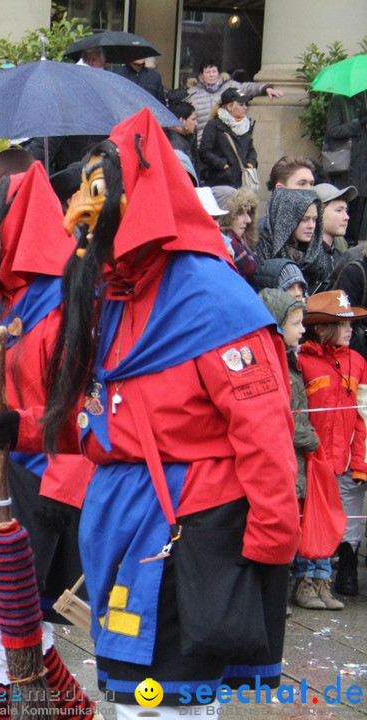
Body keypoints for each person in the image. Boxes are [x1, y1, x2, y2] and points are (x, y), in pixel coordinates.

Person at [41, 109, 299, 718]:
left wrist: (269, 543)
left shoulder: (211, 300)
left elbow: (264, 431)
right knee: (139, 696)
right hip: (126, 517)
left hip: (189, 521)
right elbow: (108, 417)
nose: (82, 207)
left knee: (165, 702)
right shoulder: (117, 292)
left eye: (98, 191)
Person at [0, 165, 97, 720]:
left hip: (28, 481)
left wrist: (65, 481)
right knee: (0, 631)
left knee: (9, 627)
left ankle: (70, 712)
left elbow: (79, 402)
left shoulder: (60, 302)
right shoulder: (0, 297)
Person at [257, 288, 329, 610]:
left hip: (294, 458)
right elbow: (280, 415)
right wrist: (309, 436)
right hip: (281, 458)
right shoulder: (274, 364)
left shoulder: (291, 360)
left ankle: (287, 589)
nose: (303, 330)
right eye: (297, 323)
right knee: (278, 524)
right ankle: (273, 591)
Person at [297, 290, 367, 599]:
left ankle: (323, 580)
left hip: (340, 461)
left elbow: (362, 417)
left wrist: (359, 461)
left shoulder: (358, 362)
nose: (352, 329)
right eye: (343, 323)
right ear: (324, 327)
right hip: (312, 457)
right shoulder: (303, 362)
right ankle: (303, 580)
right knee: (308, 521)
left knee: (331, 523)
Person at [187, 59, 283, 143]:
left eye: (214, 71)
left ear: (219, 73)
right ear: (201, 75)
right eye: (208, 72)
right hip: (201, 142)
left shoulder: (230, 86)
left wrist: (265, 88)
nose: (211, 75)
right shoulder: (192, 93)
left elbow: (247, 88)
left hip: (226, 141)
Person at [256, 188, 330, 294]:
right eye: (304, 220)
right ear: (286, 220)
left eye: (314, 219)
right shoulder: (263, 250)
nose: (311, 226)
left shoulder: (319, 256)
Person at [326, 91, 366, 245]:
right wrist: (359, 123)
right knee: (345, 211)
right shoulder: (340, 101)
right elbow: (333, 130)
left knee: (358, 214)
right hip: (346, 169)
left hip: (363, 170)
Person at [199, 88, 257, 188]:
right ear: (230, 106)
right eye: (241, 104)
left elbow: (251, 149)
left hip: (243, 182)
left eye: (245, 104)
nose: (245, 107)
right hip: (221, 181)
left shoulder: (246, 125)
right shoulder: (214, 125)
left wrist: (251, 164)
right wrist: (223, 165)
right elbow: (204, 151)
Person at [218, 186, 259, 280]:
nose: (248, 220)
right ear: (224, 216)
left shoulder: (247, 247)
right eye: (240, 213)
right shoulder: (221, 256)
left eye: (248, 213)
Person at [316, 182, 357, 252]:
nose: (347, 217)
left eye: (345, 210)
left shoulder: (341, 246)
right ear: (317, 213)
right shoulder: (303, 255)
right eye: (339, 210)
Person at [165, 100, 198, 170]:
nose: (196, 123)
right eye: (193, 119)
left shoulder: (186, 136)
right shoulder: (176, 144)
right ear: (182, 120)